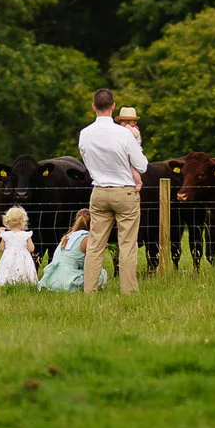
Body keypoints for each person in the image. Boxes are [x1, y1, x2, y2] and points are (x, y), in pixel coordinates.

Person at [77, 88, 145, 293]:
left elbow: (87, 161)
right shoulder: (124, 134)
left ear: (93, 107)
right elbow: (141, 165)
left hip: (99, 190)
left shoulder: (85, 133)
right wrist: (136, 141)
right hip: (124, 191)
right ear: (113, 106)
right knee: (127, 244)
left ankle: (89, 290)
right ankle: (128, 290)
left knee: (96, 244)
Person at [37, 209, 91, 291]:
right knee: (100, 273)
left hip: (51, 280)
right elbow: (90, 263)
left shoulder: (67, 236)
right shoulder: (88, 238)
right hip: (69, 281)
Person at [0, 206, 38, 286]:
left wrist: (8, 251)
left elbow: (1, 248)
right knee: (23, 268)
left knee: (8, 269)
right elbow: (31, 249)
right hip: (23, 257)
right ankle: (24, 281)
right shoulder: (26, 235)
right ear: (23, 221)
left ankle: (7, 281)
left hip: (8, 256)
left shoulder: (5, 235)